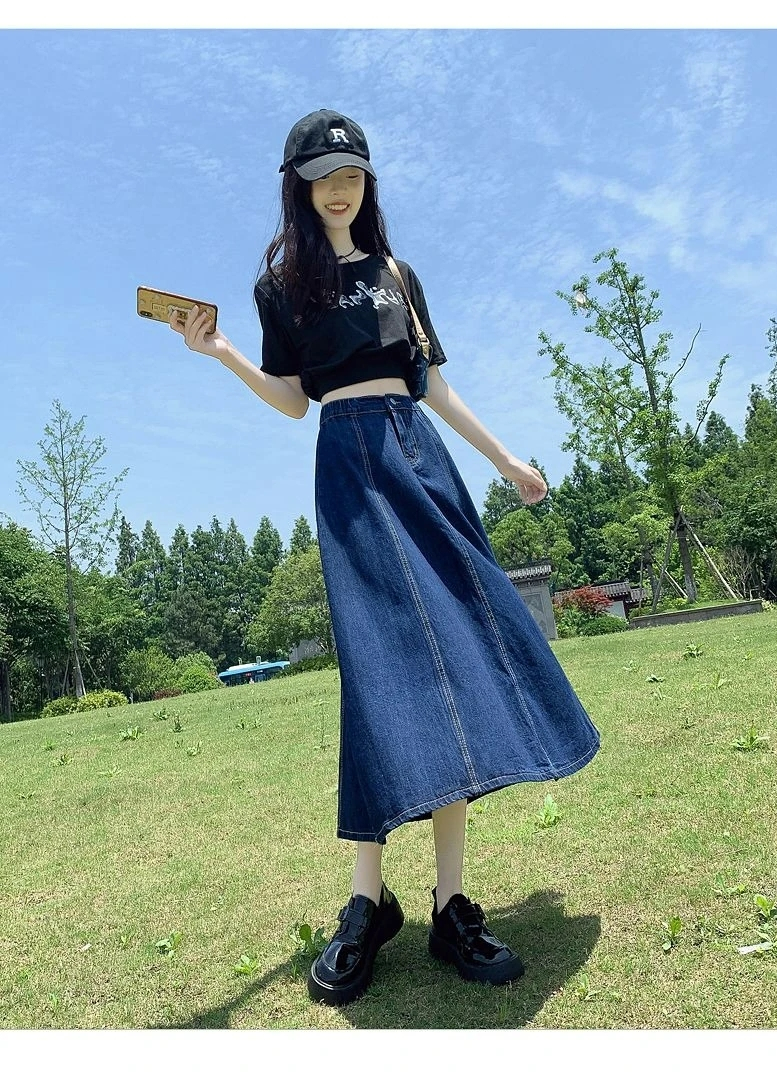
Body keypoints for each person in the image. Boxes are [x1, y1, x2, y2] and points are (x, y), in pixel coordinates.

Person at [169, 108, 600, 1007]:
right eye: (322, 178)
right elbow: (294, 401)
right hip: (348, 466)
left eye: (352, 175)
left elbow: (430, 381)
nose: (338, 190)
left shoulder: (399, 275)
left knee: (460, 659)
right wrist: (221, 353)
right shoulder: (281, 285)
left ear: (367, 182)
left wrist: (505, 460)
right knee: (381, 674)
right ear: (297, 188)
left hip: (418, 457)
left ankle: (450, 904)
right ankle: (368, 902)